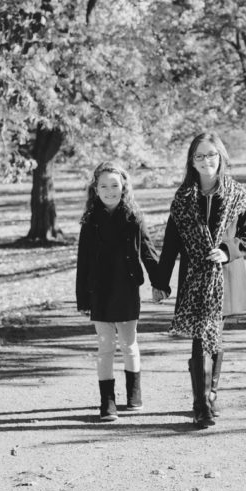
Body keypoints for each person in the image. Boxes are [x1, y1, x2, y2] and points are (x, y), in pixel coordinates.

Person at [153, 132, 246, 429]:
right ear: (191, 161)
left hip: (224, 279)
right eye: (199, 156)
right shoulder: (183, 198)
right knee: (201, 338)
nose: (205, 161)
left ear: (221, 157)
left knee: (216, 337)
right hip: (194, 279)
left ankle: (211, 393)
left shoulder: (236, 194)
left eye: (211, 154)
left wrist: (226, 252)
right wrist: (161, 282)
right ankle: (200, 404)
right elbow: (171, 244)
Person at [76, 161, 161, 422]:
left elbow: (147, 251)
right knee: (105, 346)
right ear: (95, 189)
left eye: (115, 185)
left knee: (128, 344)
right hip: (99, 290)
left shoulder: (134, 217)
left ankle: (134, 395)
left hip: (126, 289)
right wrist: (83, 299)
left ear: (123, 186)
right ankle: (107, 402)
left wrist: (160, 282)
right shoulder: (90, 220)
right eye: (104, 186)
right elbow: (83, 262)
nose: (110, 190)